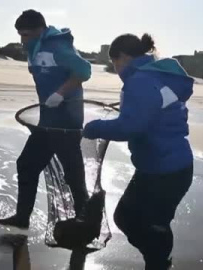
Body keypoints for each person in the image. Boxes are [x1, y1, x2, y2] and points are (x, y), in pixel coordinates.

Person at [83, 34, 194, 270]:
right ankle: (159, 259)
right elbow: (148, 115)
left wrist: (95, 128)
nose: (116, 69)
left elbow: (131, 126)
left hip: (166, 171)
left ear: (123, 57)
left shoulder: (141, 81)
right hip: (162, 167)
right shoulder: (156, 76)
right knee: (127, 217)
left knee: (149, 223)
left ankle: (158, 261)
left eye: (115, 63)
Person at [0, 10, 91, 229]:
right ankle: (22, 217)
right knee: (27, 165)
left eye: (26, 34)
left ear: (40, 30)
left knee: (73, 174)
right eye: (20, 34)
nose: (22, 39)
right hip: (47, 123)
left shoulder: (58, 46)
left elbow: (84, 71)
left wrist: (60, 93)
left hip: (67, 123)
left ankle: (85, 223)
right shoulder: (33, 48)